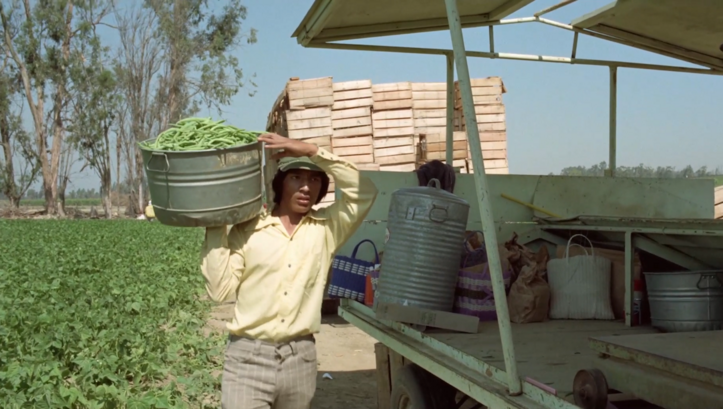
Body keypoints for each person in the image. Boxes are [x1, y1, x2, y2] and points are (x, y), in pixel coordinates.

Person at [200, 133, 378, 409]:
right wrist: (215, 225)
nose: (306, 187)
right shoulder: (248, 230)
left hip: (300, 358)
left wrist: (312, 151)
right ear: (280, 184)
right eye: (296, 178)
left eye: (315, 180)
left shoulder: (328, 228)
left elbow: (364, 192)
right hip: (247, 358)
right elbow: (219, 290)